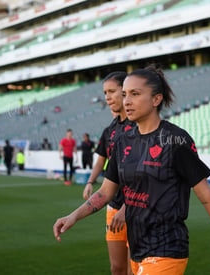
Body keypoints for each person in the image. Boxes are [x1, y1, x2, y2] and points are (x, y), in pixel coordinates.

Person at [54, 65, 210, 275]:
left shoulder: (175, 140)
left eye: (135, 94)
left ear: (156, 99)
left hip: (167, 247)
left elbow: (205, 195)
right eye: (125, 94)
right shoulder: (122, 140)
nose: (127, 101)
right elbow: (106, 192)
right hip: (137, 248)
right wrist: (74, 216)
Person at [83, 71, 135, 275]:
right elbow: (102, 161)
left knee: (133, 270)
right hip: (113, 205)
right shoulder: (111, 130)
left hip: (135, 206)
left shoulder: (140, 127)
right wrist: (90, 181)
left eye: (112, 91)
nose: (107, 97)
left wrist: (127, 208)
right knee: (116, 268)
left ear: (125, 91)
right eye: (105, 92)